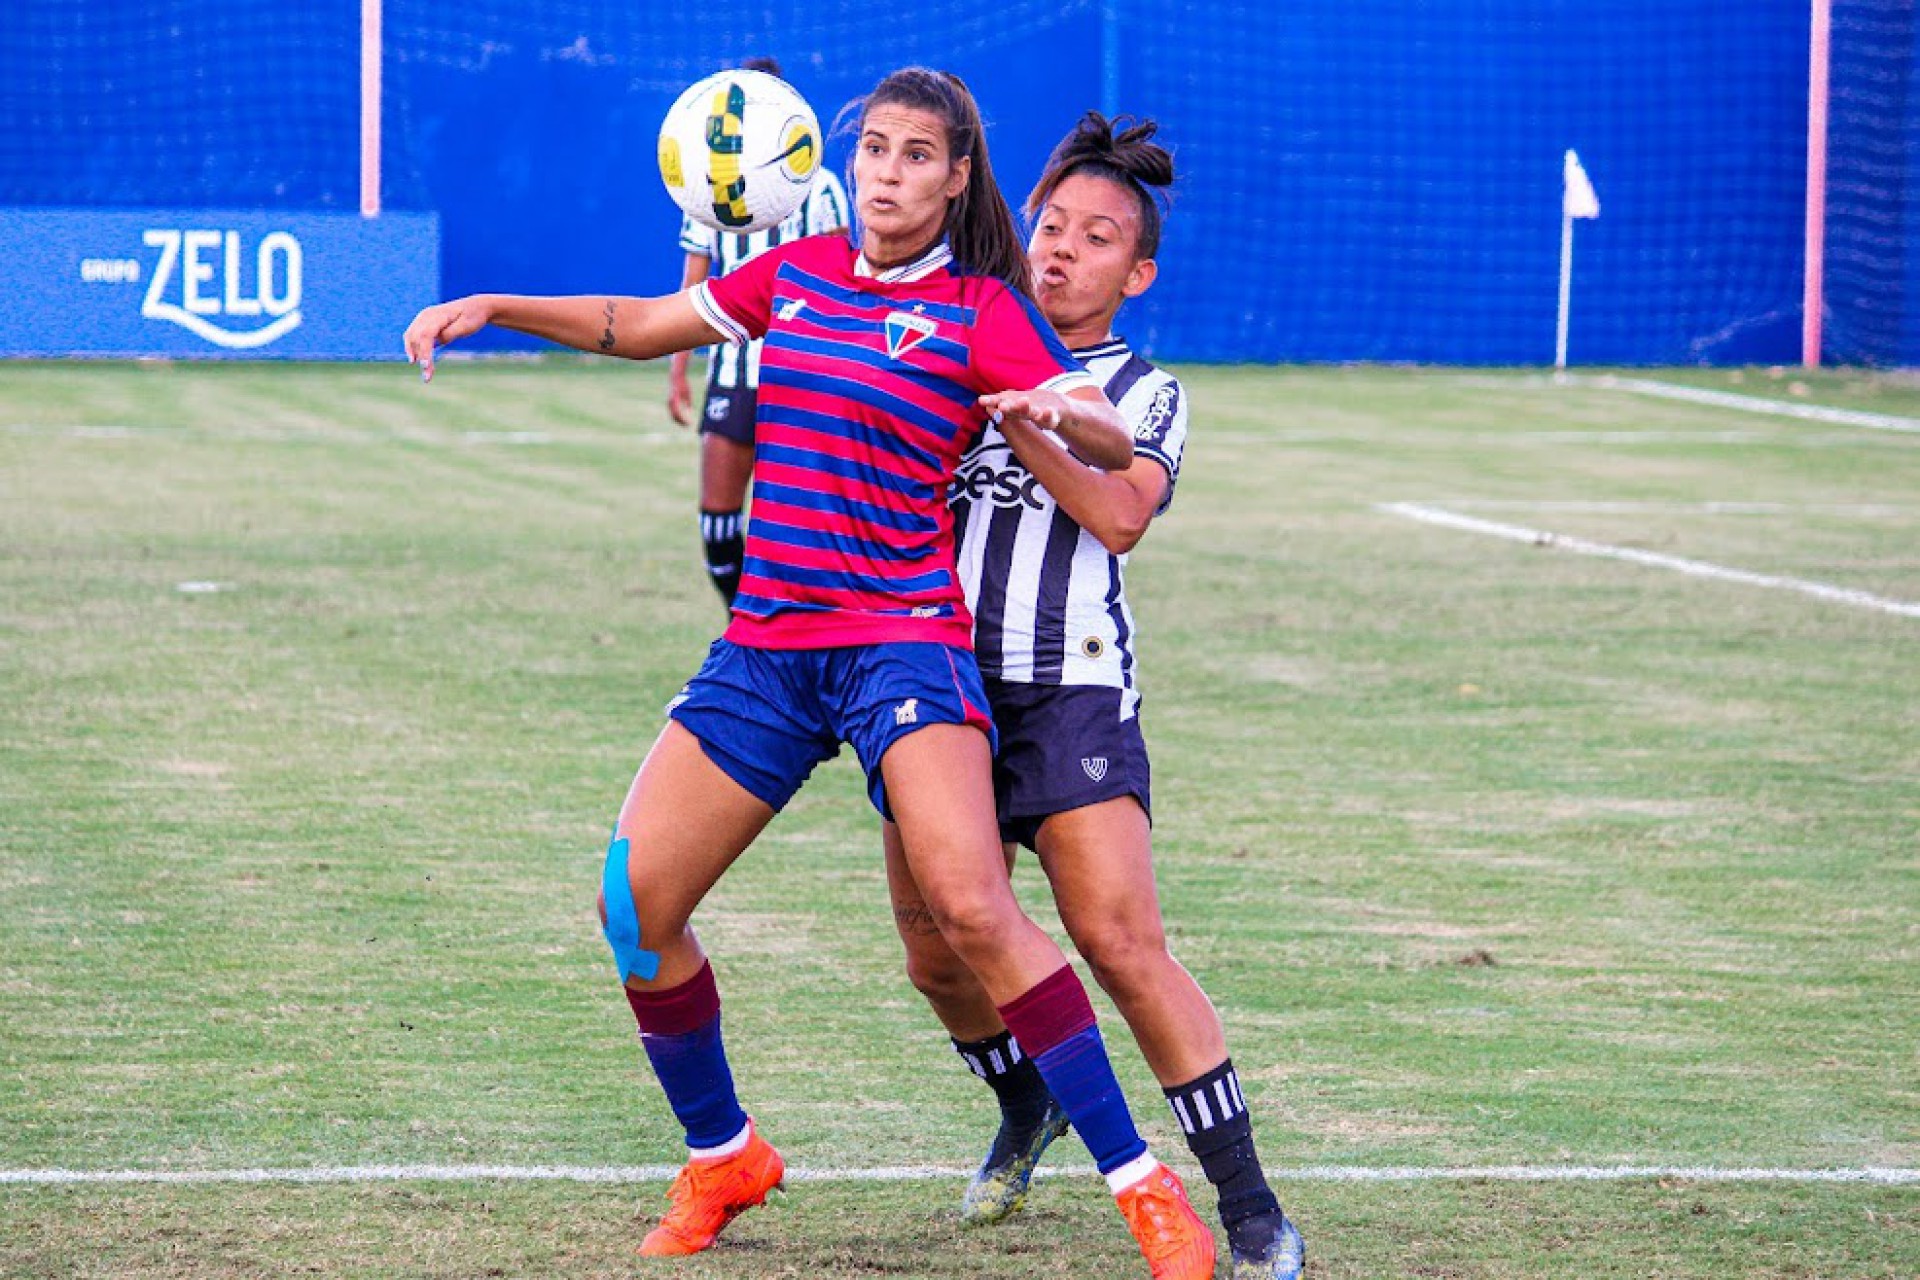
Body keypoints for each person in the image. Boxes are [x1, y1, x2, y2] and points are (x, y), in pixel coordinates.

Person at [403, 68, 1219, 1280]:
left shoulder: (986, 304)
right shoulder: (794, 275)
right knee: (634, 907)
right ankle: (723, 1149)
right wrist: (494, 305)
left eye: (914, 155)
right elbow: (639, 325)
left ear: (955, 177)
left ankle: (1145, 1189)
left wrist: (1068, 408)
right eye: (874, 150)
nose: (889, 172)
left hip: (904, 641)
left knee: (975, 907)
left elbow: (1089, 424)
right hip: (771, 646)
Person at [882, 113, 1306, 1280]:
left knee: (1119, 939)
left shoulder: (1145, 390)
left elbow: (1123, 514)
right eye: (1050, 225)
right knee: (933, 953)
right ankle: (1028, 1104)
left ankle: (1251, 1205)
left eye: (1097, 237)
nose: (1062, 250)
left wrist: (1034, 426)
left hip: (1070, 690)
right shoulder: (954, 343)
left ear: (1139, 271)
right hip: (932, 687)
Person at [664, 56, 849, 607]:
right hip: (732, 373)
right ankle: (748, 635)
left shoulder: (822, 188)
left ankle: (792, 647)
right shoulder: (706, 184)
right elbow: (692, 284)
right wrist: (678, 371)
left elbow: (841, 288)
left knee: (799, 535)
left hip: (801, 379)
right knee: (718, 535)